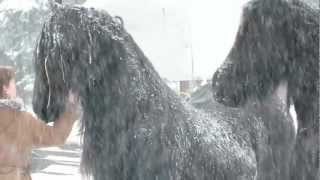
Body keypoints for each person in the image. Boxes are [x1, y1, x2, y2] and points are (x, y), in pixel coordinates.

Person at [0, 66, 77, 180]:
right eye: (13, 83)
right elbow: (56, 136)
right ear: (5, 88)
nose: (15, 87)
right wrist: (70, 107)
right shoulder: (23, 120)